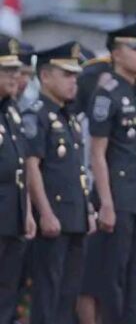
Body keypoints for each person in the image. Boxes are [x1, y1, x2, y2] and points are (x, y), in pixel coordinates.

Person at [79, 21, 136, 324]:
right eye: (135, 49)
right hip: (119, 194)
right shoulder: (106, 93)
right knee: (115, 274)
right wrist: (107, 203)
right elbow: (97, 152)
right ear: (115, 53)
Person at [22, 42, 96, 323]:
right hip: (52, 217)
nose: (73, 82)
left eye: (75, 76)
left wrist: (88, 209)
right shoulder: (37, 115)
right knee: (47, 292)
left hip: (74, 216)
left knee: (69, 293)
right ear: (45, 76)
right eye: (66, 75)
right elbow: (32, 167)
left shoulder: (69, 118)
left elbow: (77, 170)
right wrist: (46, 213)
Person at [0, 35, 36, 324]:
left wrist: (27, 211)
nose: (16, 77)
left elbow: (20, 166)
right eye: (8, 71)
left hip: (12, 218)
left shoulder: (11, 111)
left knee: (8, 293)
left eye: (18, 71)